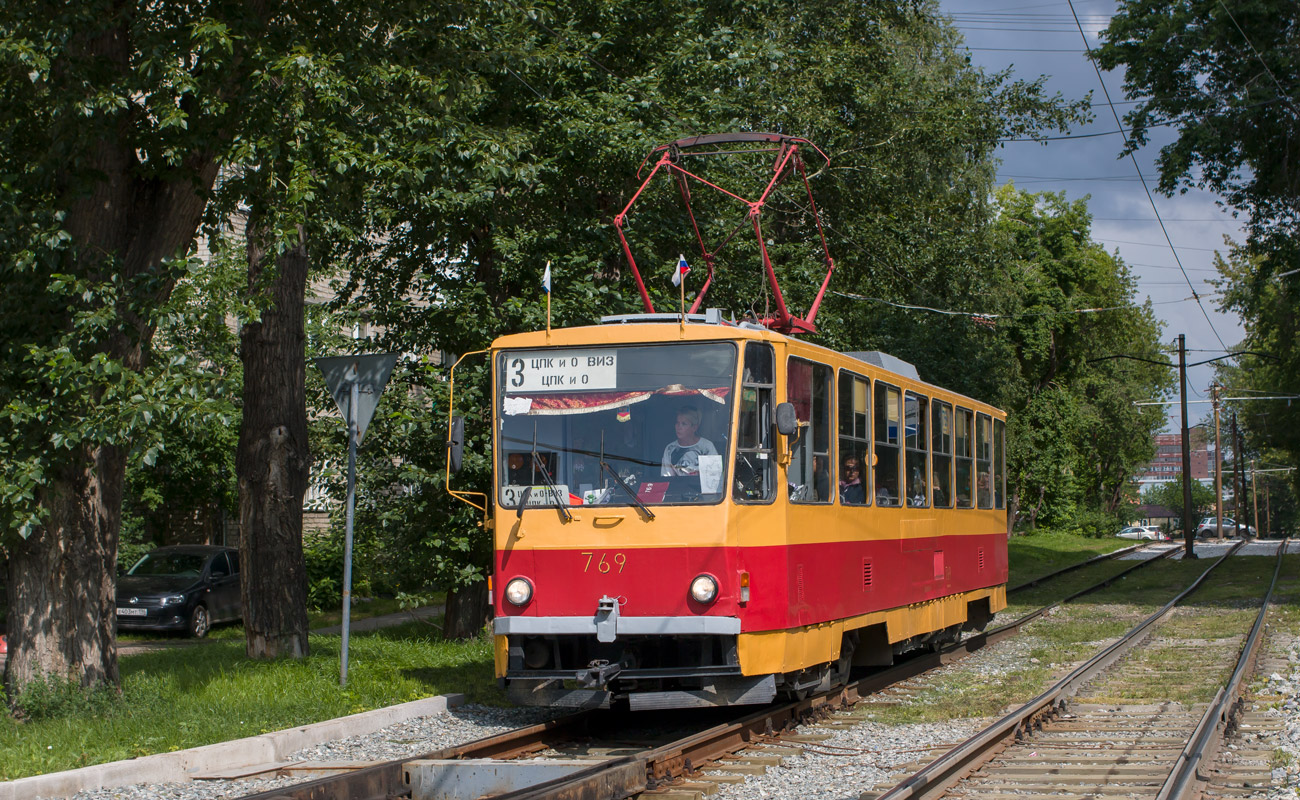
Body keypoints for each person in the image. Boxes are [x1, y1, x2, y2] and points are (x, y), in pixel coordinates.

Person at [662, 405, 717, 475]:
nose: (679, 427)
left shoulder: (706, 447)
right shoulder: (670, 449)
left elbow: (714, 476)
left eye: (683, 424)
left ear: (694, 427)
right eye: (677, 423)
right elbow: (667, 478)